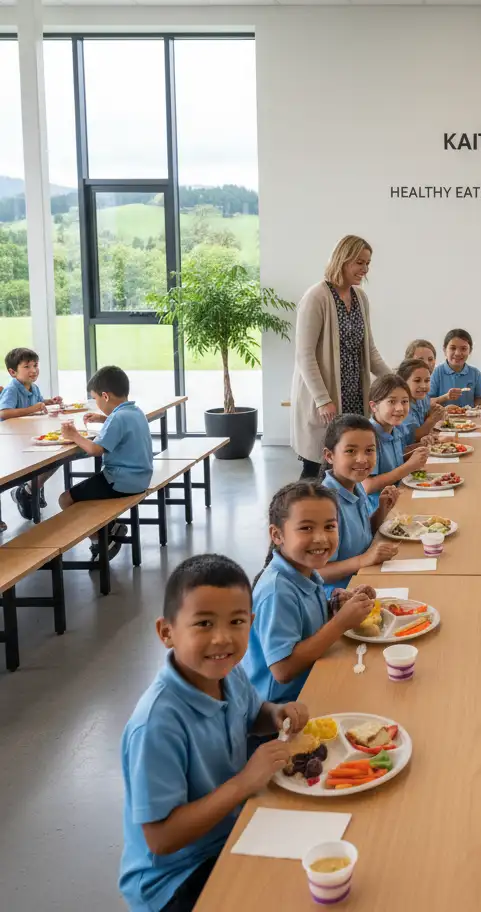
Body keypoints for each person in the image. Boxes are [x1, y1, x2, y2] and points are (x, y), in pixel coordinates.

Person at [119, 554, 309, 912]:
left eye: (236, 622)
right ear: (166, 632)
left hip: (229, 830)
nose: (222, 639)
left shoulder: (227, 673)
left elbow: (252, 716)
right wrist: (244, 783)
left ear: (250, 623)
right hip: (175, 878)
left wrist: (276, 713)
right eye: (204, 624)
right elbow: (161, 838)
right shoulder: (158, 723)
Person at [244, 481, 375, 704]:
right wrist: (340, 623)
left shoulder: (306, 572)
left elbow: (304, 625)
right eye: (306, 528)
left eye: (330, 527)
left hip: (314, 681)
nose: (321, 538)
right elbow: (283, 669)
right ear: (277, 535)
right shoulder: (277, 590)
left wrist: (334, 606)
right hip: (282, 711)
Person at [291, 235, 391, 480]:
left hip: (355, 394)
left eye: (367, 263)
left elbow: (370, 350)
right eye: (359, 262)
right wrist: (323, 399)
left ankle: (347, 516)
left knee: (350, 467)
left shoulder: (360, 298)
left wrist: (395, 383)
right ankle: (310, 514)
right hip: (325, 397)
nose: (365, 269)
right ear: (343, 260)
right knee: (318, 466)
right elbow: (305, 355)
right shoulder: (316, 297)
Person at [59, 365, 153, 563]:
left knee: (65, 500)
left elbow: (94, 450)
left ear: (105, 396)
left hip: (119, 481)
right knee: (89, 490)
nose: (96, 403)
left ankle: (101, 542)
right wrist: (104, 419)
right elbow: (120, 427)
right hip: (141, 478)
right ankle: (112, 527)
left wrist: (74, 435)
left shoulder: (118, 418)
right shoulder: (135, 412)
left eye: (95, 398)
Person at [318, 414, 400, 594]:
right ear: (329, 456)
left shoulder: (354, 485)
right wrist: (363, 560)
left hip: (367, 577)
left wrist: (381, 511)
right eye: (350, 451)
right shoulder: (323, 506)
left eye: (369, 450)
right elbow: (317, 571)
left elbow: (360, 538)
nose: (362, 459)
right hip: (340, 596)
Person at [2, 346, 62, 521]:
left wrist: (48, 402)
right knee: (46, 462)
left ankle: (29, 490)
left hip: (31, 436)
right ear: (13, 372)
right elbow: (4, 412)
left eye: (35, 365)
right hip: (13, 440)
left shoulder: (33, 388)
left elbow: (37, 404)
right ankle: (29, 491)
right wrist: (31, 409)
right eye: (27, 367)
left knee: (55, 459)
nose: (33, 370)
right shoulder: (12, 389)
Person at [363, 374, 429, 512]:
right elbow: (367, 486)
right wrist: (409, 466)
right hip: (377, 511)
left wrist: (417, 451)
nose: (400, 408)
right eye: (392, 402)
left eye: (404, 402)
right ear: (374, 406)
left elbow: (395, 461)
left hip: (399, 498)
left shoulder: (394, 429)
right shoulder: (367, 437)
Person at [429, 329, 481, 407]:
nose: (457, 353)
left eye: (463, 349)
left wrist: (477, 409)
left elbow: (480, 401)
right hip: (443, 418)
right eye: (453, 348)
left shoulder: (475, 373)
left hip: (469, 418)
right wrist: (445, 397)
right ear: (444, 349)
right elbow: (427, 402)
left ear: (470, 350)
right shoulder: (436, 373)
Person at [397, 358, 443, 445]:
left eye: (427, 380)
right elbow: (414, 436)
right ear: (403, 382)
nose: (423, 386)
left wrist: (435, 411)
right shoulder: (402, 405)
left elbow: (425, 419)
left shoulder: (422, 398)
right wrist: (432, 419)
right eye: (417, 381)